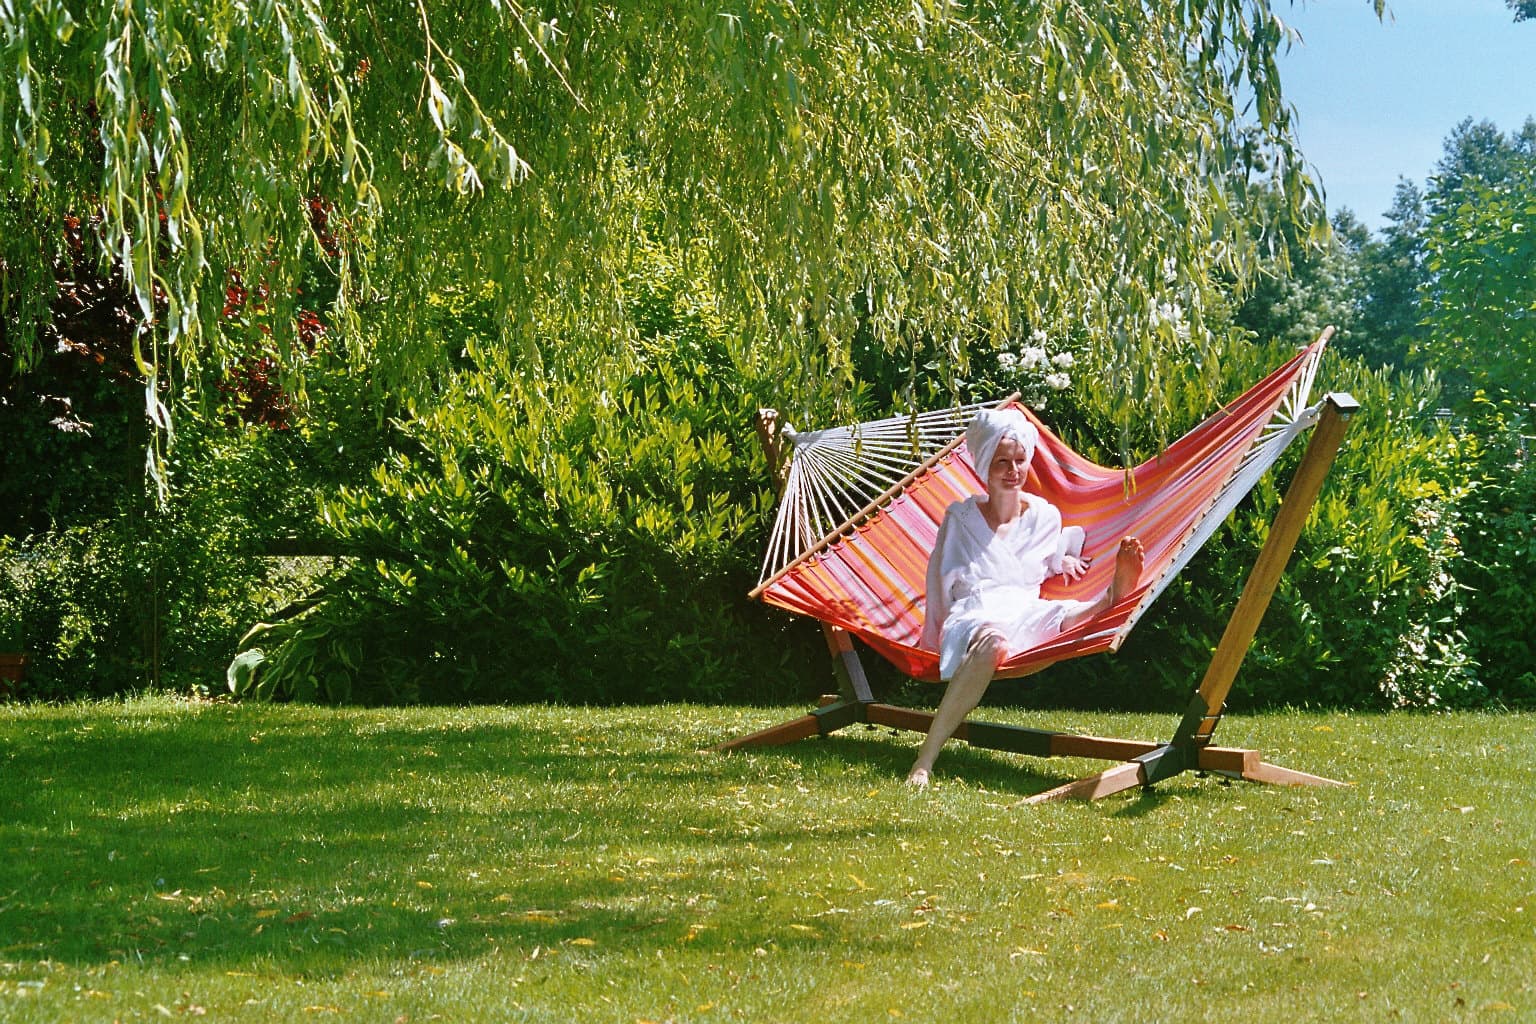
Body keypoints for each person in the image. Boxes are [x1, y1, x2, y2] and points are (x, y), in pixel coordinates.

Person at [907, 407, 1144, 788]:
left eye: (1019, 461)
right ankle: (925, 759)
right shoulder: (961, 519)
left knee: (1059, 614)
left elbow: (1043, 560)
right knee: (992, 643)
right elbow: (939, 578)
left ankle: (1108, 598)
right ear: (985, 465)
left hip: (1024, 606)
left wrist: (1061, 559)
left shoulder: (1044, 518)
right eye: (1002, 462)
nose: (1013, 470)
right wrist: (933, 637)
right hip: (975, 611)